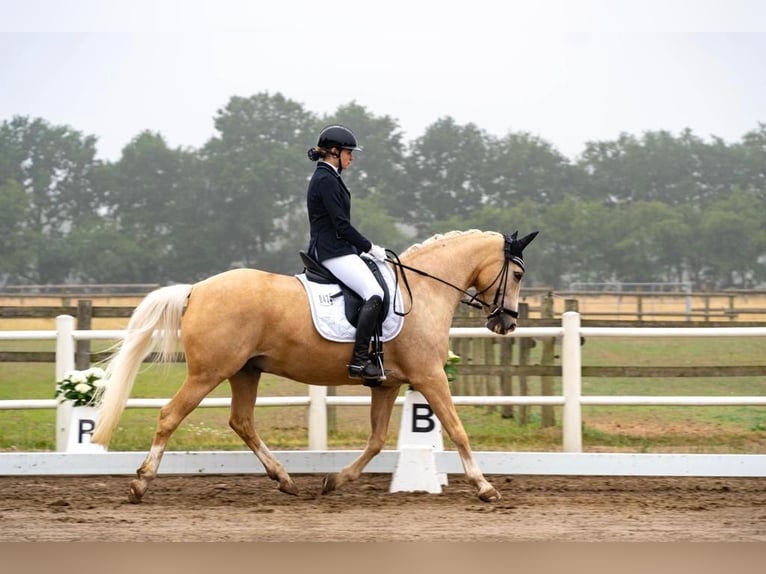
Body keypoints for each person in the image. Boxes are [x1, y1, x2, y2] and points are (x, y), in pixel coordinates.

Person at [305, 124, 387, 382]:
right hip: (331, 251)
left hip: (338, 248)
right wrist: (369, 247)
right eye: (348, 152)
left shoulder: (329, 177)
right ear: (333, 152)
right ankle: (360, 361)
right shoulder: (325, 179)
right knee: (375, 293)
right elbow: (341, 225)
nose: (352, 157)